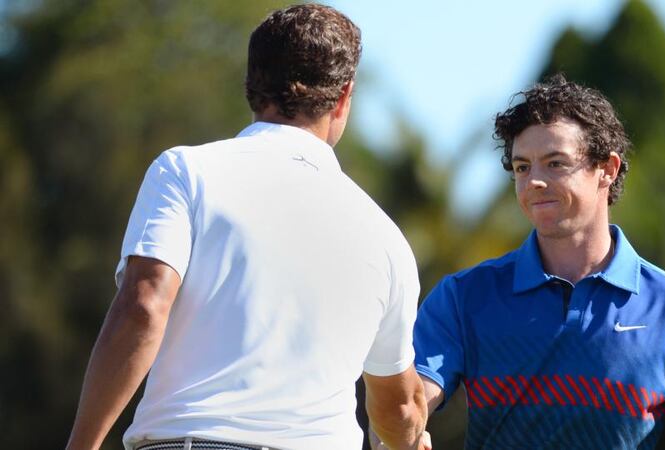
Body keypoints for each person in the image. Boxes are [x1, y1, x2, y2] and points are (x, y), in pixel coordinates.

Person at [66, 4, 428, 450]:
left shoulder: (185, 172)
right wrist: (412, 437)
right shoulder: (387, 239)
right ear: (343, 96)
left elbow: (143, 305)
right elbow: (398, 407)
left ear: (251, 84)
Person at [411, 75, 665, 449]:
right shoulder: (464, 297)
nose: (534, 181)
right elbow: (409, 404)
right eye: (522, 167)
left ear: (608, 169)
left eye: (555, 163)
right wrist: (398, 433)